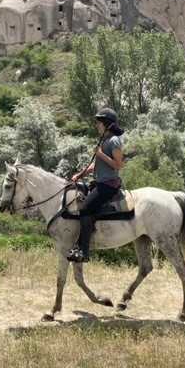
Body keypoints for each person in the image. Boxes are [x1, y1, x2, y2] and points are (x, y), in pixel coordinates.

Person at [67, 107, 124, 263]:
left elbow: (118, 165)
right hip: (99, 182)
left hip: (109, 184)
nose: (97, 126)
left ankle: (83, 251)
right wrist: (81, 174)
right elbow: (98, 165)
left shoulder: (113, 141)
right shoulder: (105, 141)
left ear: (107, 124)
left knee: (85, 209)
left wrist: (100, 154)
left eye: (99, 123)